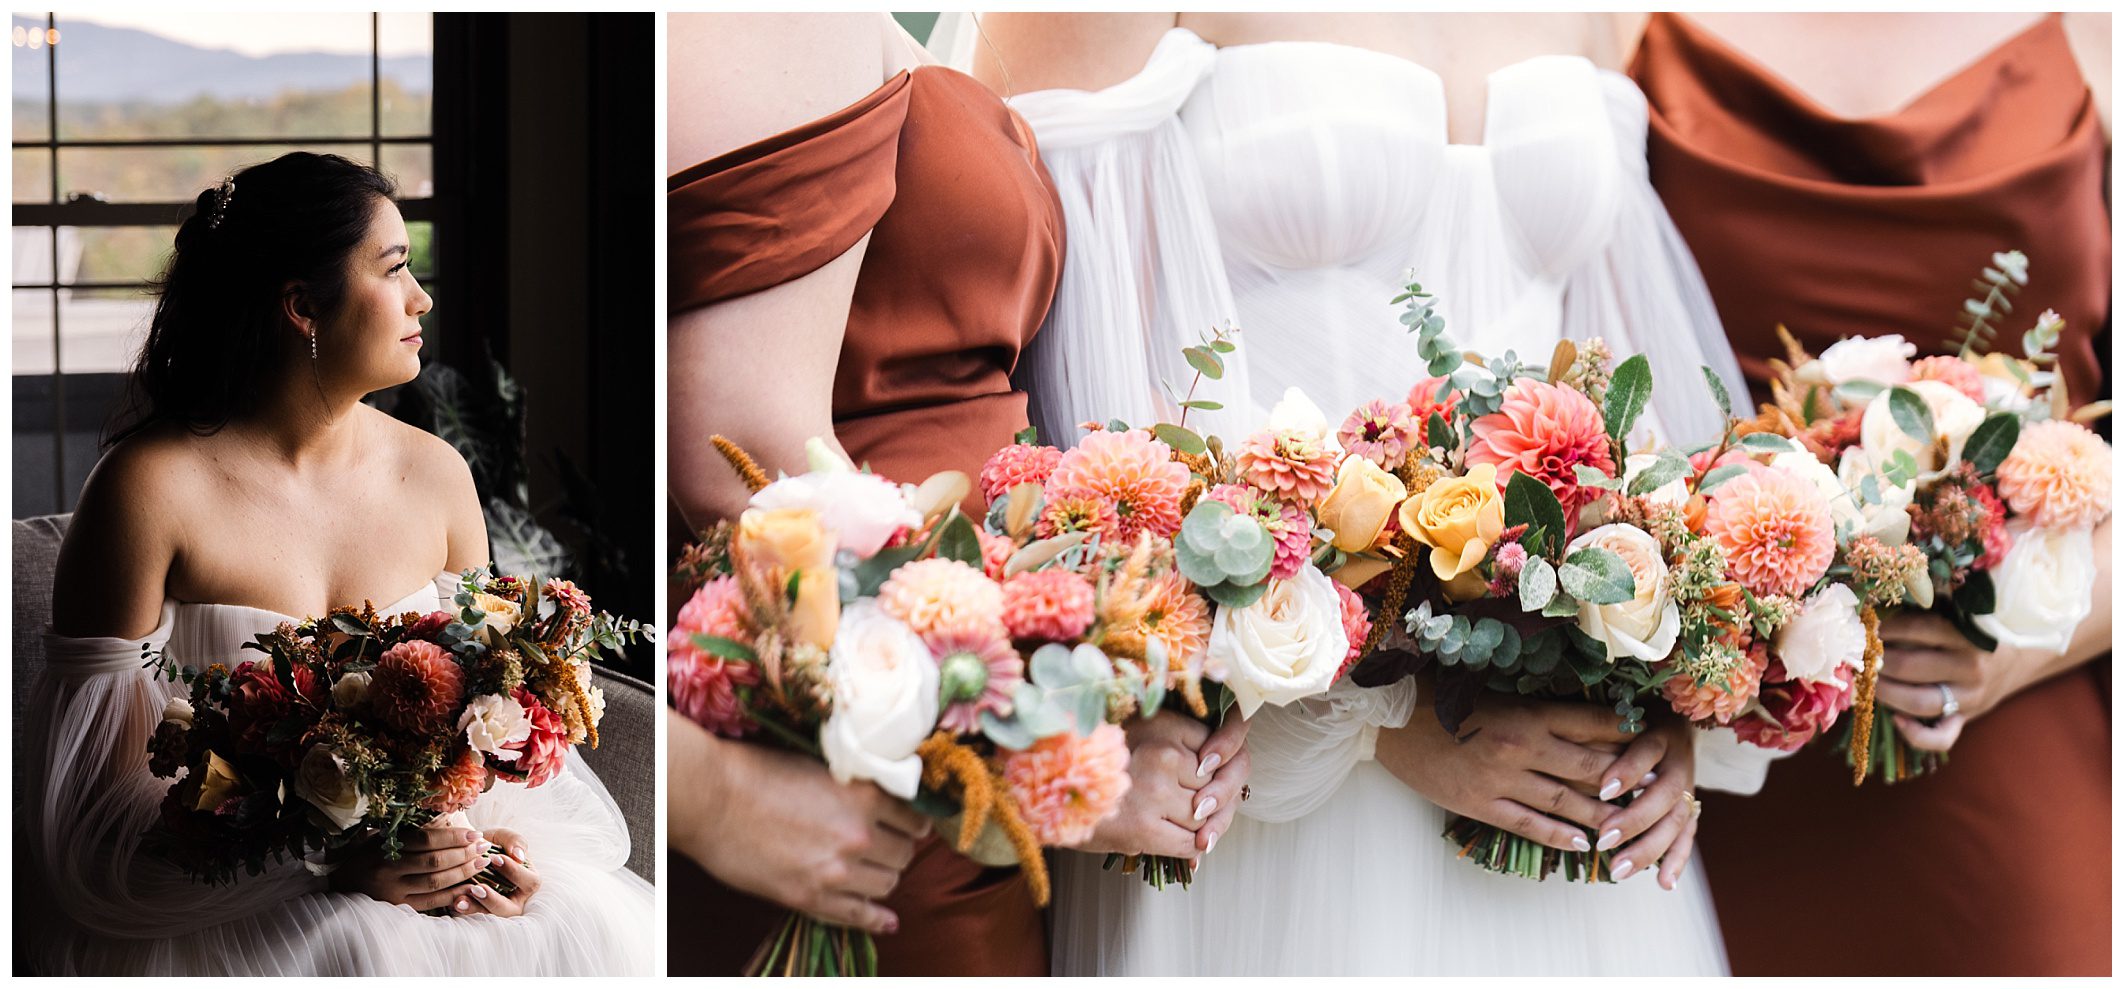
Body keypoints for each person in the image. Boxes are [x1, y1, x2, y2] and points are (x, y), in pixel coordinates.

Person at [976, 12, 1756, 976]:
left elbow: (1624, 375)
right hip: (1267, 759)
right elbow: (1081, 391)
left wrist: (1657, 659)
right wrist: (1368, 720)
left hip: (1559, 781)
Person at [664, 13, 1249, 974]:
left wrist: (1124, 648)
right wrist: (1049, 742)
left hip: (955, 697)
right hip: (883, 734)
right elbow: (747, 459)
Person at [22, 152, 657, 975]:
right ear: (300, 305)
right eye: (394, 269)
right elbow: (94, 813)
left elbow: (492, 733)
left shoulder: (438, 476)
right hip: (222, 900)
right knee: (355, 947)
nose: (421, 298)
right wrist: (321, 863)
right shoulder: (148, 488)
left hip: (431, 889)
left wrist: (480, 848)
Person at [1632, 12, 2112, 976]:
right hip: (1704, 743)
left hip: (2004, 740)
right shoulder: (1608, 31)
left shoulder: (2102, 37)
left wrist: (2007, 651)